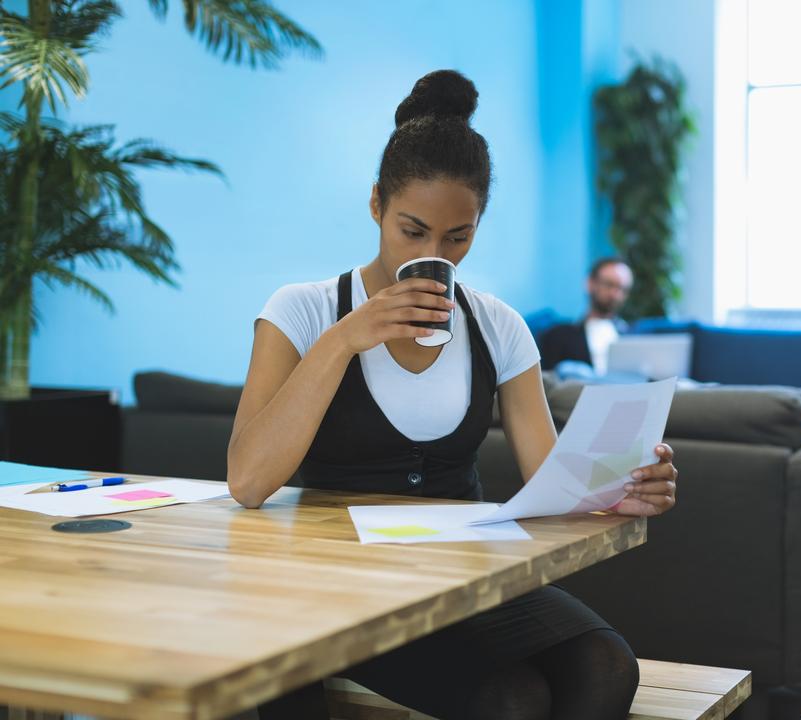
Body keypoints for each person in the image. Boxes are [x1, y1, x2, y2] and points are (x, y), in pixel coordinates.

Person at [226, 70, 678, 720]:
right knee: (511, 701)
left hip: (466, 573)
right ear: (377, 203)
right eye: (413, 231)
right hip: (339, 582)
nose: (435, 253)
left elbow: (555, 487)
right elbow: (247, 480)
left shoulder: (498, 325)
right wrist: (344, 340)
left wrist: (621, 490)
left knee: (606, 666)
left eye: (457, 237)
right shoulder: (302, 311)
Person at [539, 257, 633, 374]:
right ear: (590, 283)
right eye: (609, 285)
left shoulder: (634, 338)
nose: (616, 295)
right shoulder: (557, 336)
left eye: (623, 289)